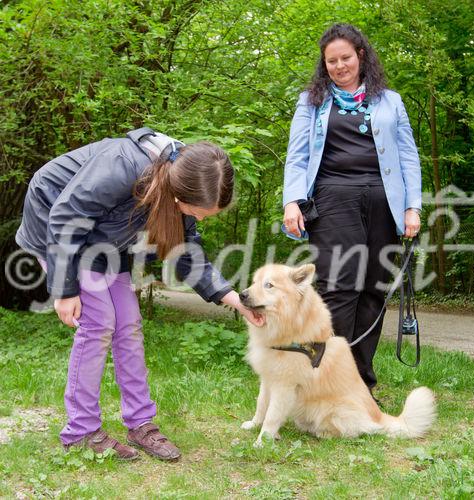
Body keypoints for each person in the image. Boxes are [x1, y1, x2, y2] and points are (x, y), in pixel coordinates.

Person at [16, 127, 264, 461]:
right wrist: (64, 289)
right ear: (180, 195)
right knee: (99, 322)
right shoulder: (123, 165)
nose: (201, 218)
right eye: (198, 212)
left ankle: (140, 423)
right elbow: (67, 216)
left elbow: (186, 253)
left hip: (104, 241)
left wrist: (234, 299)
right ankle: (81, 432)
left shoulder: (179, 183)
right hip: (58, 227)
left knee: (129, 324)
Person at [282, 23, 421, 390]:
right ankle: (324, 381)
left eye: (346, 58)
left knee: (374, 289)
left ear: (361, 56)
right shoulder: (311, 102)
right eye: (331, 61)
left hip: (384, 203)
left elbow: (408, 158)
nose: (339, 66)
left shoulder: (391, 101)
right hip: (332, 200)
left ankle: (360, 383)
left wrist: (413, 207)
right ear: (324, 64)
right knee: (337, 288)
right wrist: (292, 201)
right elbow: (296, 157)